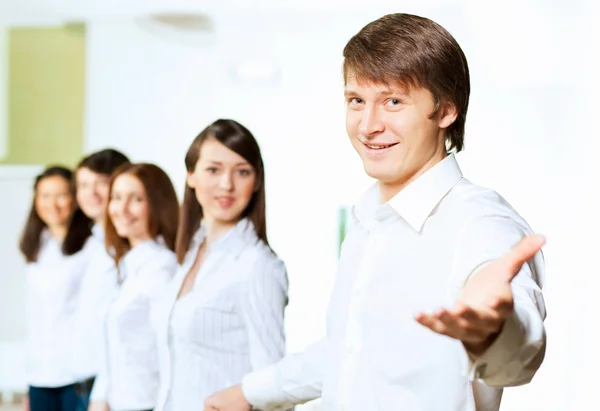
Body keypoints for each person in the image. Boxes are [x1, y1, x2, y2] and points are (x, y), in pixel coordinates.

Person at [203, 13, 547, 411]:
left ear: (447, 110)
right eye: (356, 101)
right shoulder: (369, 219)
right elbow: (350, 350)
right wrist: (250, 392)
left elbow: (518, 354)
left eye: (393, 101)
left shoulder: (483, 222)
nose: (368, 126)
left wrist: (493, 332)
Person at [151, 119, 289, 411]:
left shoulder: (257, 266)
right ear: (191, 175)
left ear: (256, 182)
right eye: (213, 170)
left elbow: (274, 382)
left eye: (242, 172)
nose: (226, 184)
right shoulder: (190, 253)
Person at [87, 163, 180, 411]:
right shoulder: (127, 265)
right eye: (116, 198)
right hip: (119, 403)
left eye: (136, 199)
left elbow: (171, 354)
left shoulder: (162, 269)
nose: (122, 209)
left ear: (158, 204)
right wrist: (101, 397)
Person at [19, 166, 93, 411]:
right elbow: (34, 316)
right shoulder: (37, 245)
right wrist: (28, 381)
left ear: (75, 199)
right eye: (45, 195)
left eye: (61, 194)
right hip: (40, 372)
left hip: (76, 374)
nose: (53, 203)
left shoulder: (91, 246)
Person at [68, 149, 130, 411]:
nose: (90, 193)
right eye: (83, 185)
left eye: (100, 183)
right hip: (82, 381)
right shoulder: (94, 241)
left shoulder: (127, 249)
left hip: (108, 389)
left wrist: (101, 393)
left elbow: (123, 331)